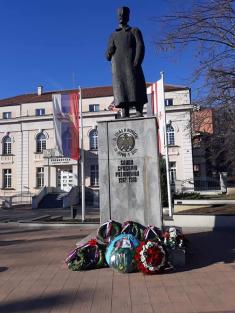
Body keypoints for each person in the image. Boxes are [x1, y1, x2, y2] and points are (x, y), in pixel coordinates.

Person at [106, 6, 148, 118]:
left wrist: (137, 61)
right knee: (122, 87)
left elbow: (140, 45)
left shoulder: (134, 30)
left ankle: (139, 110)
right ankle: (125, 112)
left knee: (135, 86)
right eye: (119, 14)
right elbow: (107, 56)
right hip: (118, 67)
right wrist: (109, 51)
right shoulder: (113, 35)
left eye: (123, 14)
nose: (121, 16)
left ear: (128, 16)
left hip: (131, 63)